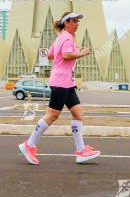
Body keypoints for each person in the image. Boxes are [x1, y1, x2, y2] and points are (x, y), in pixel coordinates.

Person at [18, 12, 101, 165]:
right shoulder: (67, 37)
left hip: (67, 82)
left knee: (78, 113)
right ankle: (28, 145)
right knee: (51, 116)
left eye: (78, 21)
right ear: (66, 23)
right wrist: (82, 52)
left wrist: (62, 52)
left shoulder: (60, 37)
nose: (77, 23)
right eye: (74, 21)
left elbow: (50, 55)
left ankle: (81, 151)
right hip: (61, 82)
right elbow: (66, 55)